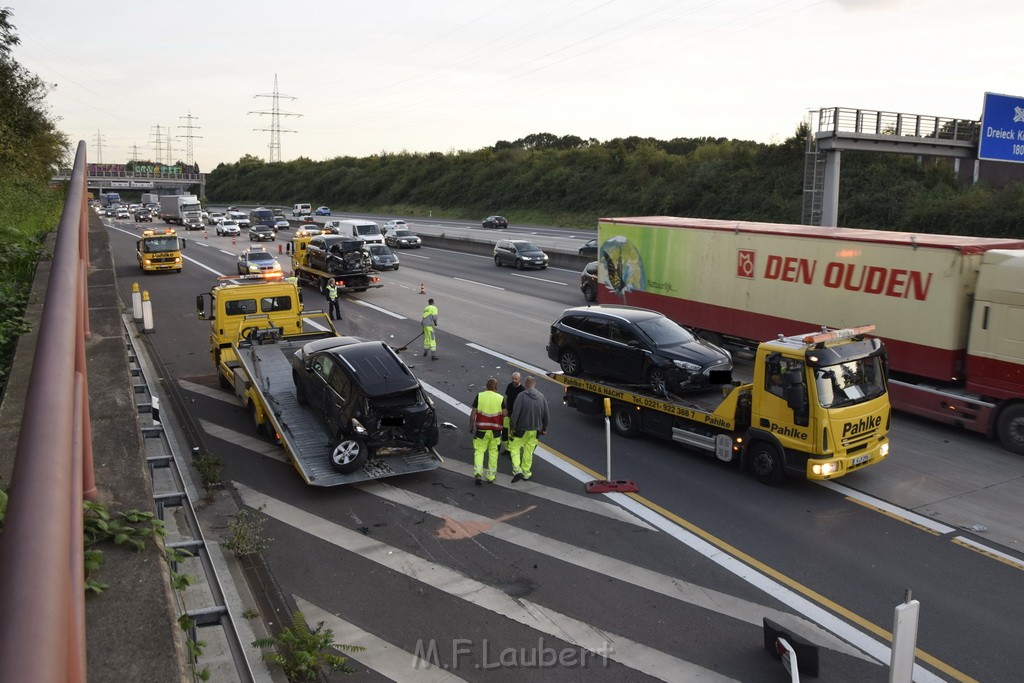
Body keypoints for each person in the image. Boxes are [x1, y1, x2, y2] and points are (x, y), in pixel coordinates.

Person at [508, 376, 549, 483]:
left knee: (513, 447)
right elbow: (546, 415)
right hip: (535, 430)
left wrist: (512, 427)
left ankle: (517, 470)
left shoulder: (521, 396)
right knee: (528, 451)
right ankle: (526, 473)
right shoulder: (542, 397)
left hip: (521, 429)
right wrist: (544, 428)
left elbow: (515, 414)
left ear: (525, 384)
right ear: (534, 384)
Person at [469, 377, 506, 485]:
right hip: (495, 432)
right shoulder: (500, 398)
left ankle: (478, 473)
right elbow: (504, 414)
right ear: (496, 387)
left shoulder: (480, 396)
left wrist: (471, 426)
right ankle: (490, 476)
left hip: (481, 430)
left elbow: (473, 414)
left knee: (479, 452)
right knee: (493, 453)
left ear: (486, 386)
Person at [501, 372, 524, 454]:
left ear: (520, 379)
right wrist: (506, 408)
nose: (514, 380)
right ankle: (507, 449)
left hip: (516, 417)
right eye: (513, 379)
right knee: (504, 434)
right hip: (508, 414)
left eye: (516, 379)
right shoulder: (510, 386)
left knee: (513, 436)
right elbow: (507, 397)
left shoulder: (522, 391)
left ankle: (513, 452)